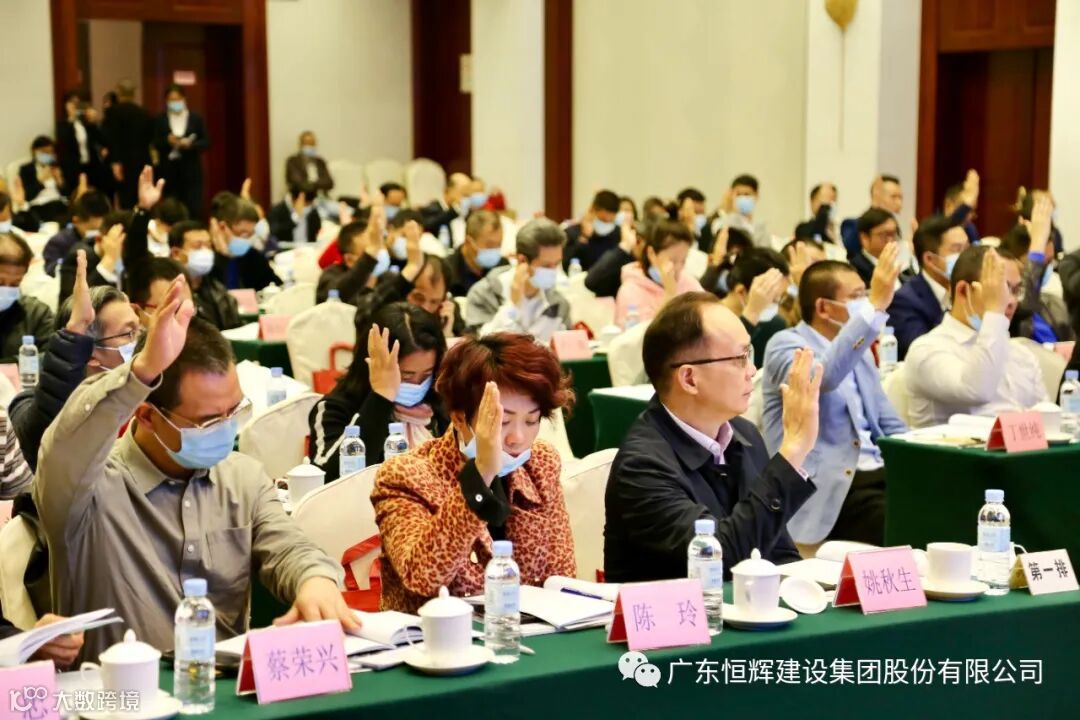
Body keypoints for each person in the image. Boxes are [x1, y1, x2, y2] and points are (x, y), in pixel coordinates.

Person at [35, 281, 358, 660]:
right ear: (147, 415)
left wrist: (314, 578)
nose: (226, 429)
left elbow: (288, 548)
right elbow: (67, 442)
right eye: (208, 421)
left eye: (234, 411)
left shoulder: (242, 477)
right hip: (119, 690)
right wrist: (141, 371)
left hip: (220, 686)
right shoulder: (86, 490)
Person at [603, 292, 821, 582]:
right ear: (689, 378)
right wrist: (792, 451)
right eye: (739, 358)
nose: (752, 370)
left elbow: (778, 553)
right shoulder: (641, 466)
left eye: (749, 355)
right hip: (680, 610)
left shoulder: (745, 435)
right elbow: (718, 558)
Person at [371, 333, 576, 612]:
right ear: (459, 418)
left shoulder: (540, 463)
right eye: (502, 421)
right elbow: (423, 578)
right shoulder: (405, 476)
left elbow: (561, 576)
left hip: (528, 630)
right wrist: (480, 476)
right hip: (437, 633)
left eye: (531, 420)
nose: (517, 437)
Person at [763, 250, 908, 546]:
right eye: (857, 296)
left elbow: (890, 424)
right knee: (899, 522)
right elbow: (823, 378)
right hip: (830, 482)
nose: (864, 302)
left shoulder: (860, 351)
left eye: (866, 294)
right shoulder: (785, 344)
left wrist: (926, 457)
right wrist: (875, 307)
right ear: (823, 308)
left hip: (880, 470)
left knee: (945, 503)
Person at [10, 250, 141, 471]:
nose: (140, 340)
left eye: (139, 329)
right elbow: (37, 440)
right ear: (91, 353)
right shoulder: (27, 405)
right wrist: (74, 335)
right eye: (128, 334)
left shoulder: (148, 395)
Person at [905, 246, 1046, 428]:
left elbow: (1046, 419)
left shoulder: (1021, 353)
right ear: (963, 291)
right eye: (1000, 290)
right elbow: (978, 391)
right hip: (958, 446)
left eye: (1016, 290)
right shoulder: (926, 350)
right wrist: (995, 313)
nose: (1010, 301)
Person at [310, 304, 450, 482]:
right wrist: (381, 397)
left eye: (427, 374)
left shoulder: (442, 404)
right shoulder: (335, 408)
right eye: (406, 376)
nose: (417, 384)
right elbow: (326, 479)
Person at [465, 218, 570, 342]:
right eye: (546, 266)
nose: (553, 272)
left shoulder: (559, 303)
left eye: (556, 264)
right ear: (522, 260)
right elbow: (481, 347)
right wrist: (512, 306)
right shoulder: (483, 295)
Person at [887, 216, 970, 359]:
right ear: (930, 259)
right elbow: (923, 353)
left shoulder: (972, 289)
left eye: (967, 248)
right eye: (957, 250)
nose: (966, 257)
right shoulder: (903, 301)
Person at [1000, 197, 1073, 343]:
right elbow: (1025, 304)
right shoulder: (1003, 306)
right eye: (1041, 263)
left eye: (1049, 262)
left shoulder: (1052, 303)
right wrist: (1037, 245)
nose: (1044, 269)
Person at [614, 219, 702, 327]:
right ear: (652, 253)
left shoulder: (688, 282)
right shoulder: (630, 291)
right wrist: (670, 294)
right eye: (672, 260)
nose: (678, 268)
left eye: (683, 260)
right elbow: (641, 335)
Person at [717, 247, 791, 368]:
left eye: (780, 298)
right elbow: (724, 364)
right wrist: (752, 313)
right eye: (772, 299)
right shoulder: (708, 322)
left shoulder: (774, 325)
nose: (776, 305)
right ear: (741, 291)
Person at [153, 84, 209, 218]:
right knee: (171, 208)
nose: (175, 103)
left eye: (177, 99)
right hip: (169, 171)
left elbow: (206, 142)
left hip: (191, 170)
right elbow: (154, 142)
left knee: (193, 207)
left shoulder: (195, 118)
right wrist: (167, 141)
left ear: (184, 99)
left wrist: (190, 145)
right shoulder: (160, 119)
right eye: (171, 100)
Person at [0, 232, 55, 363]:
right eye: (0, 282)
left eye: (15, 283)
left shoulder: (37, 314)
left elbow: (50, 358)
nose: (6, 289)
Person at [210, 196, 280, 291]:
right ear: (223, 227)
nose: (247, 240)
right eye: (243, 234)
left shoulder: (253, 256)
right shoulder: (207, 262)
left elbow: (277, 287)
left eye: (251, 235)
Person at [315, 210, 386, 304]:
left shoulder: (386, 277)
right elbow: (339, 294)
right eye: (370, 251)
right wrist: (370, 254)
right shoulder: (331, 276)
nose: (377, 254)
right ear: (349, 260)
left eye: (379, 247)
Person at [103, 79, 154, 209]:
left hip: (123, 161)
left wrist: (115, 162)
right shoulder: (144, 112)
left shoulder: (112, 112)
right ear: (134, 93)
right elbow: (149, 138)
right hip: (142, 159)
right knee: (140, 195)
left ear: (119, 92)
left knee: (125, 199)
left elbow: (112, 139)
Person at [59, 212, 127, 302]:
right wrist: (109, 260)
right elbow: (72, 305)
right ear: (99, 239)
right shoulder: (77, 258)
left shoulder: (128, 258)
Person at [41, 190, 111, 276]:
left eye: (101, 229)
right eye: (92, 229)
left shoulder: (110, 241)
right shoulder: (58, 242)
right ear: (76, 221)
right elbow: (51, 270)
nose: (98, 234)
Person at [56, 91, 110, 197]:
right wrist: (71, 119)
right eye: (71, 102)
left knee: (94, 193)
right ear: (65, 105)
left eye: (77, 103)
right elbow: (64, 141)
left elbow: (101, 139)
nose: (75, 106)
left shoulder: (86, 124)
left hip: (90, 165)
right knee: (76, 195)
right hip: (73, 166)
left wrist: (93, 121)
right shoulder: (62, 124)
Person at [841, 174, 905, 258]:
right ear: (876, 196)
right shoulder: (852, 224)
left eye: (900, 198)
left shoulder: (895, 227)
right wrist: (875, 206)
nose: (899, 203)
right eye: (893, 197)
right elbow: (851, 247)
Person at [447, 210, 507, 296]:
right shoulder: (447, 272)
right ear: (468, 242)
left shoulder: (503, 268)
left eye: (498, 245)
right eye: (489, 245)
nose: (494, 251)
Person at [849, 208, 913, 288]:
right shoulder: (854, 269)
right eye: (883, 235)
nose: (890, 240)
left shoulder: (900, 262)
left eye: (893, 233)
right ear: (865, 238)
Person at [563, 190, 624, 271]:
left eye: (610, 221)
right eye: (603, 220)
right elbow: (566, 265)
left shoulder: (619, 234)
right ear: (592, 210)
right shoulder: (573, 232)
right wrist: (584, 237)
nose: (606, 224)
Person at [18, 136, 69, 223]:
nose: (48, 155)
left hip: (58, 203)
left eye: (50, 152)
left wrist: (59, 180)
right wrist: (41, 181)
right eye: (44, 152)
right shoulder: (26, 169)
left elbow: (66, 193)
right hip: (39, 206)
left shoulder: (56, 167)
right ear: (34, 151)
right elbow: (27, 196)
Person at [716, 174, 770, 247]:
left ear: (756, 195)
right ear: (732, 195)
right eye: (738, 195)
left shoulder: (762, 228)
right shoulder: (721, 224)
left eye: (746, 194)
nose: (742, 198)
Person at [420, 172, 471, 243]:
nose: (465, 198)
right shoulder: (432, 209)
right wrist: (453, 211)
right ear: (447, 190)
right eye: (463, 194)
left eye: (468, 195)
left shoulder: (466, 212)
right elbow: (428, 225)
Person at [285, 131, 334, 197]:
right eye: (307, 143)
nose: (310, 146)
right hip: (301, 197)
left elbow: (329, 183)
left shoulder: (320, 161)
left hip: (322, 197)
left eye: (312, 144)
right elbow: (298, 184)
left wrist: (311, 184)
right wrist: (318, 184)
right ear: (300, 145)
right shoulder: (293, 161)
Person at [941, 169, 981, 245]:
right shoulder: (934, 228)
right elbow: (950, 223)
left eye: (972, 211)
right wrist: (967, 204)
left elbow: (976, 249)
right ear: (948, 205)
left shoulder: (970, 228)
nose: (969, 216)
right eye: (964, 206)